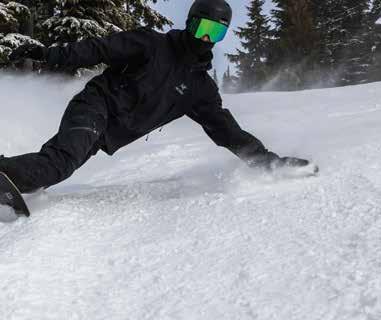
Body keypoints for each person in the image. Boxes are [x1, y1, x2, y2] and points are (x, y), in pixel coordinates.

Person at [0, 0, 317, 198]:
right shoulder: (151, 44)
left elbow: (227, 132)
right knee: (59, 164)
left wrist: (268, 161)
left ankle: (9, 180)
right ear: (191, 23)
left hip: (105, 135)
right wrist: (46, 54)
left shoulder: (200, 89)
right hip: (95, 106)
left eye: (217, 33)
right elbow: (97, 49)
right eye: (204, 28)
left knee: (53, 170)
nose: (207, 38)